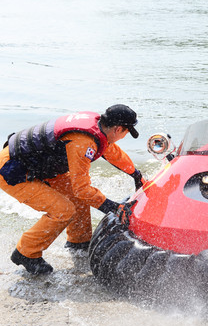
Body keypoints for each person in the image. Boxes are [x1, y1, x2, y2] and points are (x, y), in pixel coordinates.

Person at [0, 105, 145, 275]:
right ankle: (26, 252)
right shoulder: (83, 142)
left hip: (41, 167)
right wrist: (112, 207)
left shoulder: (99, 128)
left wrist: (136, 175)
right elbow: (82, 188)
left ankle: (79, 242)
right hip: (14, 171)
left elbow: (113, 153)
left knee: (78, 197)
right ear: (118, 129)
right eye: (126, 132)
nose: (124, 136)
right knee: (63, 210)